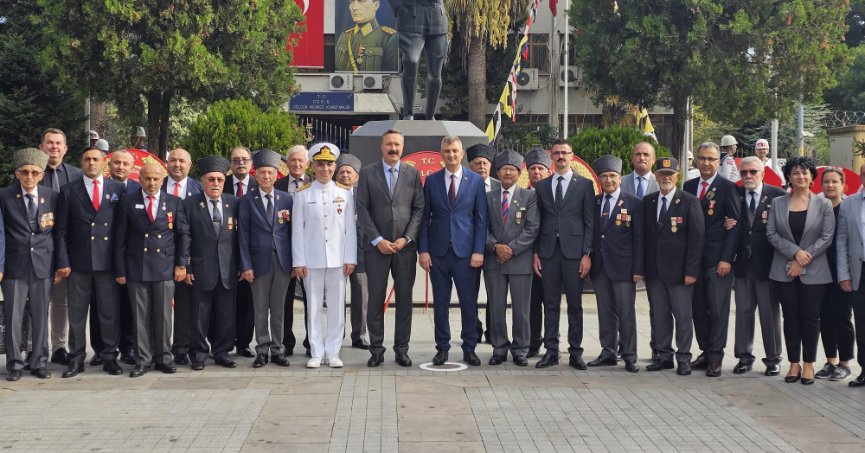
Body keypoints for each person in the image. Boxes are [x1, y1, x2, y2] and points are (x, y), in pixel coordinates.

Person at [54, 146, 125, 378]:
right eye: (87, 159)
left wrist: (120, 265)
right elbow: (61, 232)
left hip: (107, 263)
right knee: (77, 314)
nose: (91, 163)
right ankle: (76, 359)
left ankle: (110, 357)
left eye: (95, 159)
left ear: (104, 162)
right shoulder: (68, 191)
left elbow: (121, 231)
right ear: (81, 162)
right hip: (79, 264)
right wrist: (63, 261)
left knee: (109, 313)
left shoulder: (117, 189)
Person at [356, 129, 425, 368]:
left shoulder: (412, 173)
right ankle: (376, 349)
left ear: (402, 147)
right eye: (389, 144)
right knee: (375, 299)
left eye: (397, 144)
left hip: (404, 249)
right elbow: (362, 209)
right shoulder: (367, 173)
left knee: (405, 300)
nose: (393, 148)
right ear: (381, 145)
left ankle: (402, 349)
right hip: (376, 249)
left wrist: (407, 238)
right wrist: (378, 240)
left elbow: (419, 209)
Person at [114, 164, 188, 378]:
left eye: (156, 179)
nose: (152, 183)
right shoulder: (128, 202)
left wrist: (181, 264)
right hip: (137, 267)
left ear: (162, 180)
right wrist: (120, 270)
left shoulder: (174, 202)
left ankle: (164, 358)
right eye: (147, 179)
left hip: (164, 266)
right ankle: (143, 360)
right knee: (140, 317)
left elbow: (183, 235)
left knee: (163, 316)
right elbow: (120, 239)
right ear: (140, 179)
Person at [419, 135, 487, 366]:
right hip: (438, 253)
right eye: (447, 151)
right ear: (442, 154)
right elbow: (424, 218)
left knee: (468, 303)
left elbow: (481, 219)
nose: (451, 154)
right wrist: (423, 250)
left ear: (462, 153)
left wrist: (478, 250)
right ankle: (442, 347)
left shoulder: (475, 181)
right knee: (441, 304)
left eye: (455, 151)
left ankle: (469, 347)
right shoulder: (432, 181)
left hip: (466, 254)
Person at [766, 156, 835, 385]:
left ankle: (808, 364)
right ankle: (794, 363)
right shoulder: (778, 203)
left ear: (812, 176)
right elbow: (771, 234)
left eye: (805, 172)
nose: (800, 176)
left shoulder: (823, 204)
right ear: (789, 177)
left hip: (815, 271)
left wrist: (803, 258)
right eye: (795, 172)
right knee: (790, 317)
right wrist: (795, 253)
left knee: (810, 317)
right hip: (784, 269)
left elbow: (826, 237)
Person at [293, 143, 357, 368]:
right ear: (313, 166)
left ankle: (333, 352)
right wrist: (298, 260)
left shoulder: (344, 193)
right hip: (312, 260)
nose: (325, 169)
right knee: (313, 307)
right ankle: (316, 352)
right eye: (320, 164)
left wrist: (350, 258)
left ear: (335, 166)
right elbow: (297, 231)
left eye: (329, 164)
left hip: (338, 260)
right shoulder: (302, 194)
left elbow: (350, 230)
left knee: (337, 308)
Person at [532, 139, 595, 370]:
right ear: (551, 156)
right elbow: (537, 222)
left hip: (574, 254)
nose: (561, 156)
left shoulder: (584, 185)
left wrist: (587, 253)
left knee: (575, 305)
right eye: (557, 153)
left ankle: (575, 352)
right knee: (550, 304)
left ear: (571, 156)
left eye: (565, 153)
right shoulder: (541, 186)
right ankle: (551, 351)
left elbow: (589, 222)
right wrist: (536, 252)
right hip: (548, 253)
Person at [1, 148, 61, 381]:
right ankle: (15, 364)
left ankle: (39, 362)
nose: (29, 177)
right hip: (14, 265)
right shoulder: (5, 196)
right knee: (13, 317)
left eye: (34, 172)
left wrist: (60, 264)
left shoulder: (52, 196)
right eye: (24, 172)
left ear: (42, 175)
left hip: (43, 265)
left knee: (40, 316)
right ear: (17, 174)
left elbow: (58, 233)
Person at [683, 142, 741, 377]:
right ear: (696, 160)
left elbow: (735, 226)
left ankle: (716, 357)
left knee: (717, 310)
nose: (706, 163)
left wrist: (727, 258)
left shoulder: (727, 187)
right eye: (702, 158)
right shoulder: (688, 186)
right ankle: (706, 351)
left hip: (717, 261)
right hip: (693, 261)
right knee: (698, 310)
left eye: (711, 159)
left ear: (719, 161)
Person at [643, 157, 704, 375]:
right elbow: (643, 237)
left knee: (683, 317)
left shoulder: (689, 201)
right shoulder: (648, 202)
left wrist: (691, 271)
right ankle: (664, 356)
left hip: (680, 274)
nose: (666, 177)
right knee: (660, 317)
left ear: (677, 176)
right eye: (662, 173)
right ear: (656, 176)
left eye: (670, 174)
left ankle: (684, 357)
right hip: (655, 272)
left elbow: (697, 239)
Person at [728, 157, 786, 376]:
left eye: (753, 172)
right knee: (743, 312)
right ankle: (744, 357)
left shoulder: (778, 195)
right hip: (742, 264)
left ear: (762, 173)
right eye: (744, 172)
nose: (748, 176)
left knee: (769, 314)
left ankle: (773, 359)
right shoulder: (734, 194)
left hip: (768, 265)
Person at [182, 156, 240, 370]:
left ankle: (222, 352)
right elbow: (185, 237)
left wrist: (241, 265)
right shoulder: (189, 204)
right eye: (211, 179)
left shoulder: (233, 203)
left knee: (226, 315)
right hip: (200, 269)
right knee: (199, 315)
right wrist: (187, 266)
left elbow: (240, 238)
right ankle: (198, 354)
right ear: (202, 181)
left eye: (220, 179)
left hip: (227, 270)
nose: (215, 183)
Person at [238, 149, 293, 368]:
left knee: (279, 308)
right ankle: (262, 349)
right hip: (257, 263)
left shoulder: (286, 199)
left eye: (270, 172)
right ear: (256, 174)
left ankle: (278, 350)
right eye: (262, 173)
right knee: (260, 308)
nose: (266, 177)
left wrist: (294, 262)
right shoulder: (247, 201)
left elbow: (292, 233)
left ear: (277, 174)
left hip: (282, 262)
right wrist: (245, 265)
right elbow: (242, 235)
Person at [588, 155, 643, 374]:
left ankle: (629, 355)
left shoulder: (633, 203)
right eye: (604, 176)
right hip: (600, 267)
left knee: (626, 313)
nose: (608, 180)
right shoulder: (595, 202)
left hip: (624, 268)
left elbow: (639, 239)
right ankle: (608, 351)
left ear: (620, 178)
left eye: (612, 176)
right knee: (605, 311)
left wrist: (638, 269)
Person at [484, 150, 539, 366]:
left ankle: (520, 349)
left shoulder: (529, 196)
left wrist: (510, 249)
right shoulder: (488, 196)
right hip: (494, 260)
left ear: (519, 173)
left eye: (512, 169)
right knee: (496, 308)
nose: (508, 173)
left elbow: (532, 228)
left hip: (520, 261)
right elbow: (481, 226)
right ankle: (499, 348)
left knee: (521, 310)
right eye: (504, 169)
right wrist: (495, 246)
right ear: (497, 173)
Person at [38, 128, 83, 367]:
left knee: (61, 300)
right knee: (36, 301)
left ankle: (59, 347)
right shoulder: (31, 172)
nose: (54, 147)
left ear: (65, 149)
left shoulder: (76, 175)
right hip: (38, 248)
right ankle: (35, 349)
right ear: (41, 147)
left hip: (66, 248)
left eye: (58, 143)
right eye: (49, 143)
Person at [161, 148, 202, 366]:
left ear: (190, 165)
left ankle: (182, 347)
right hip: (159, 257)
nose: (177, 164)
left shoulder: (200, 189)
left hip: (190, 258)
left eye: (182, 161)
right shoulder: (155, 185)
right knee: (160, 306)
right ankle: (159, 348)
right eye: (173, 160)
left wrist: (186, 263)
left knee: (186, 306)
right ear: (166, 163)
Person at [815, 168, 854, 381]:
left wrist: (846, 273)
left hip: (842, 273)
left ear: (843, 185)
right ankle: (830, 361)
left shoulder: (848, 209)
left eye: (835, 182)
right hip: (820, 272)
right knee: (825, 318)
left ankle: (845, 362)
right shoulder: (818, 208)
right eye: (826, 182)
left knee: (842, 317)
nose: (830, 185)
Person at [276, 145, 311, 356]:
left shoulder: (315, 184)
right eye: (293, 160)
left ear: (307, 164)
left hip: (310, 252)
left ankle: (311, 342)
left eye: (301, 160)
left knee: (311, 300)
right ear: (287, 163)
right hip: (283, 251)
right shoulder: (277, 185)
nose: (297, 164)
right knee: (284, 299)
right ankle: (285, 342)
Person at [107, 149, 139, 365]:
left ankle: (128, 346)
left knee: (128, 305)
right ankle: (102, 348)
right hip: (102, 255)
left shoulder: (139, 188)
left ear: (132, 167)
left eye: (125, 164)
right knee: (104, 305)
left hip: (131, 257)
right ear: (109, 165)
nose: (120, 167)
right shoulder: (101, 186)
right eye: (117, 163)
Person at [225, 146, 257, 359]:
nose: (241, 163)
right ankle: (224, 342)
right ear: (230, 164)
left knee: (248, 302)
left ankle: (244, 343)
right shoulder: (221, 183)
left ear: (251, 163)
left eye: (244, 159)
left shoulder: (258, 185)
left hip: (251, 254)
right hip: (225, 252)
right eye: (236, 160)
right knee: (226, 302)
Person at [390, 0, 448, 119]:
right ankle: (408, 113)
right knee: (410, 61)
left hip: (437, 19)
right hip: (410, 18)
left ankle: (430, 115)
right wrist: (398, 9)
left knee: (435, 74)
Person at [335, 153, 369, 350]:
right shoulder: (330, 193)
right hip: (336, 253)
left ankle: (359, 335)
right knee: (337, 296)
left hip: (361, 252)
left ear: (357, 176)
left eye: (349, 172)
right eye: (342, 172)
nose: (345, 175)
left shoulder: (364, 195)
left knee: (361, 296)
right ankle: (336, 336)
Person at [467, 143, 500, 343]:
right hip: (470, 249)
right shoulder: (465, 185)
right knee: (470, 292)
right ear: (470, 165)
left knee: (494, 294)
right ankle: (474, 330)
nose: (481, 166)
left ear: (490, 165)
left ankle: (493, 332)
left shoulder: (499, 186)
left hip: (494, 249)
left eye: (485, 163)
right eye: (477, 163)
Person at [835, 168, 865, 387]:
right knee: (862, 322)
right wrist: (844, 275)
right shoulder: (849, 204)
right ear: (862, 177)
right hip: (859, 271)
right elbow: (842, 241)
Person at [524, 148, 552, 358]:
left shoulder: (554, 195)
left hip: (551, 257)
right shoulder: (522, 194)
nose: (536, 172)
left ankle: (552, 343)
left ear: (548, 171)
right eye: (533, 168)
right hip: (526, 257)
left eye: (541, 168)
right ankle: (533, 342)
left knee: (551, 302)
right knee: (531, 303)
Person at [335, 0, 398, 72]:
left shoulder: (388, 38)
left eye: (362, 1)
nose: (354, 7)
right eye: (351, 2)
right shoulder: (344, 36)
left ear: (376, 5)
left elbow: (391, 76)